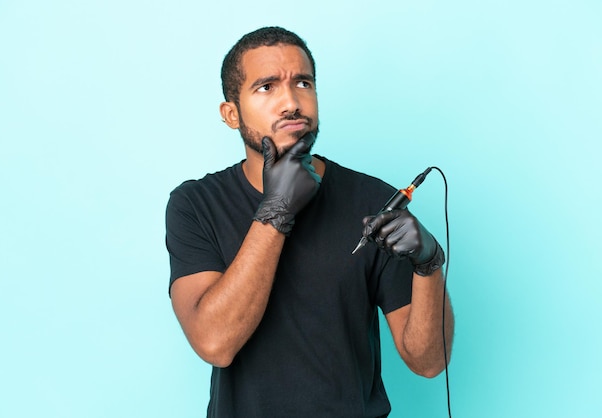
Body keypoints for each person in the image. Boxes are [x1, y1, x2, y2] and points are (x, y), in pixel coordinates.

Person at [166, 26, 454, 418]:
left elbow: (429, 362)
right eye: (266, 87)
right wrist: (277, 209)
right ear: (231, 114)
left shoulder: (373, 201)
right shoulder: (195, 204)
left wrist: (429, 264)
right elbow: (215, 343)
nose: (291, 102)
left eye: (303, 82)